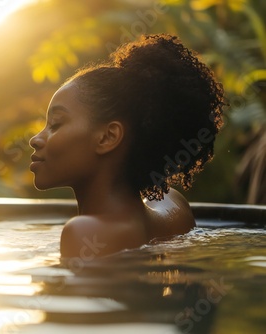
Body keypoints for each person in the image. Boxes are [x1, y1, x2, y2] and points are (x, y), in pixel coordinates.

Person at [29, 34, 225, 258]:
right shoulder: (174, 208)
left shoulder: (84, 233)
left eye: (55, 124)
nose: (35, 139)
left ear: (107, 137)